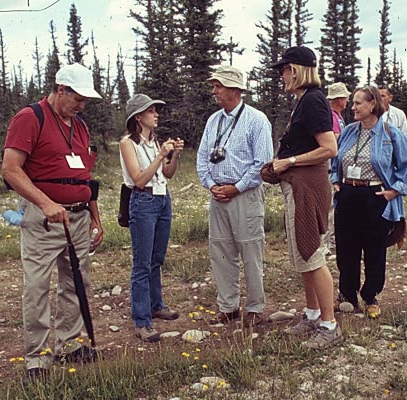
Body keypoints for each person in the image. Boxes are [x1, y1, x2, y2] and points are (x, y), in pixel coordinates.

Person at [1, 63, 103, 383]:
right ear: (61, 90)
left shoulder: (80, 125)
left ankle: (70, 344)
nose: (82, 105)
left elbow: (84, 177)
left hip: (77, 215)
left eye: (86, 100)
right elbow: (11, 169)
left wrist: (95, 216)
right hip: (43, 219)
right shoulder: (30, 118)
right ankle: (37, 359)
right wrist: (45, 203)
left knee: (76, 282)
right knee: (37, 287)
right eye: (78, 98)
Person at [266, 46, 341, 349]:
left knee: (312, 252)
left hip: (307, 185)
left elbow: (330, 148)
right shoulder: (304, 102)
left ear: (295, 69)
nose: (281, 76)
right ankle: (312, 314)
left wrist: (290, 162)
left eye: (283, 70)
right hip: (299, 184)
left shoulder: (313, 101)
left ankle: (329, 324)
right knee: (304, 253)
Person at [197, 65, 273, 328]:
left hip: (245, 195)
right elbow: (202, 157)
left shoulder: (256, 120)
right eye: (214, 85)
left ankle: (255, 307)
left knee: (250, 249)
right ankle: (228, 306)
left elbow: (262, 162)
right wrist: (210, 185)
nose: (214, 91)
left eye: (218, 86)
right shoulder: (213, 120)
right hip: (218, 195)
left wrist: (237, 187)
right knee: (220, 250)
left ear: (234, 89)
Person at [330, 85, 407, 319]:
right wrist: (336, 181)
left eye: (358, 103)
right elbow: (334, 159)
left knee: (374, 250)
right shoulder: (348, 131)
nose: (353, 107)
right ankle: (347, 295)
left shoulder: (390, 133)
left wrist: (394, 191)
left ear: (372, 105)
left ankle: (370, 296)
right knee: (346, 248)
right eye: (353, 102)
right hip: (347, 195)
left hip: (375, 196)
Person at [120, 94, 184, 342]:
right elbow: (138, 179)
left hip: (161, 199)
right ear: (138, 117)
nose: (156, 114)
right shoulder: (128, 143)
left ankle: (156, 305)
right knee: (142, 262)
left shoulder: (154, 141)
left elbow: (167, 174)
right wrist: (160, 156)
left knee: (157, 257)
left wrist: (174, 155)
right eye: (151, 111)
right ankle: (141, 319)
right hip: (143, 201)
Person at [322, 82, 351, 255]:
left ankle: (330, 239)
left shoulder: (338, 116)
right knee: (329, 205)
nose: (348, 100)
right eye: (346, 97)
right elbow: (336, 140)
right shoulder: (331, 117)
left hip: (337, 165)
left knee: (334, 204)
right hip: (330, 165)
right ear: (339, 99)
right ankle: (324, 242)